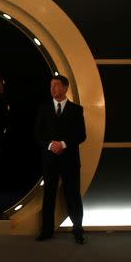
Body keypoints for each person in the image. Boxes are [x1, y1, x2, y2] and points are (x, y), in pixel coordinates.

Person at [34, 75, 87, 244]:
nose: (53, 89)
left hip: (69, 160)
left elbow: (81, 135)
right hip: (49, 159)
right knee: (49, 194)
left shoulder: (76, 110)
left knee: (73, 195)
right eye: (51, 86)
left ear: (65, 88)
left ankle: (78, 229)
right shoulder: (43, 109)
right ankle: (47, 230)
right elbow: (38, 135)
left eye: (56, 86)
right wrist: (50, 145)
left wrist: (63, 144)